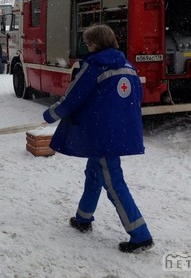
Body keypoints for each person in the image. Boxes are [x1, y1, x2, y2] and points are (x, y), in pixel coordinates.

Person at [42, 24, 154, 254]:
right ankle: (83, 218)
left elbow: (72, 98)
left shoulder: (93, 66)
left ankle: (140, 234)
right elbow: (137, 97)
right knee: (94, 174)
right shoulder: (128, 65)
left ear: (95, 44)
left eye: (88, 42)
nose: (87, 46)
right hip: (119, 131)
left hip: (101, 134)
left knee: (113, 183)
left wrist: (50, 115)